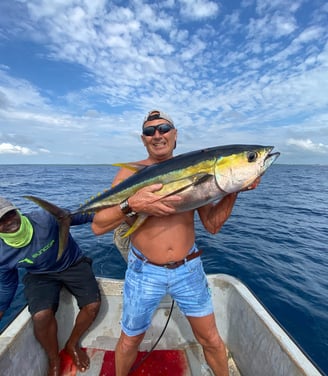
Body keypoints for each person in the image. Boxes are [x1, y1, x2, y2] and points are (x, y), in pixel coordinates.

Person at [92, 110, 260, 376]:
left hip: (188, 270)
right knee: (130, 340)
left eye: (164, 128)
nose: (157, 135)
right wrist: (130, 204)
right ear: (143, 139)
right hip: (144, 271)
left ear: (175, 134)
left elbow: (213, 226)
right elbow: (98, 225)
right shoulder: (129, 173)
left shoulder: (198, 168)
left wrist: (233, 190)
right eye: (150, 131)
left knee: (211, 340)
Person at [0, 197, 101, 376]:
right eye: (1, 221)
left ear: (16, 209)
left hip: (73, 263)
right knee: (40, 316)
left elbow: (83, 214)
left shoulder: (45, 219)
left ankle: (72, 343)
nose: (8, 221)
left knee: (92, 305)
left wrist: (122, 209)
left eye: (9, 214)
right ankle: (54, 358)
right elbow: (8, 285)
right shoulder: (2, 253)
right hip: (40, 275)